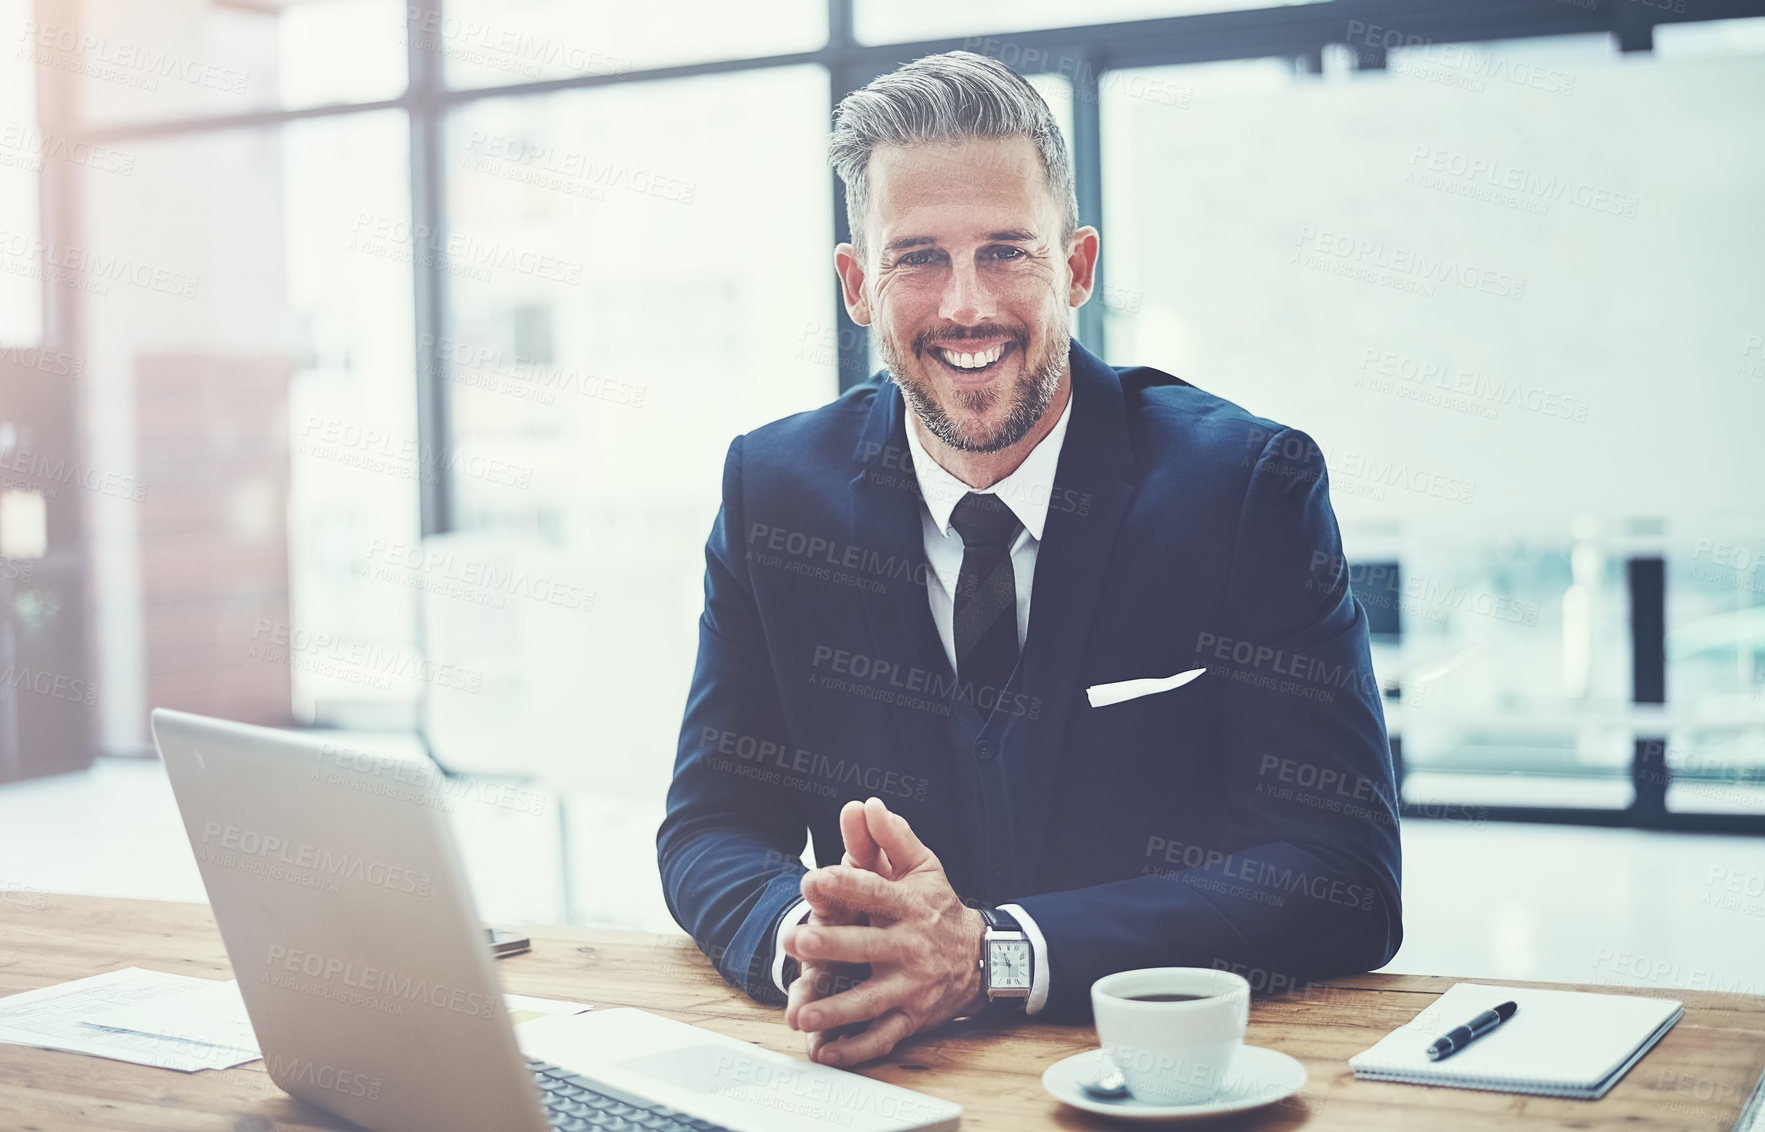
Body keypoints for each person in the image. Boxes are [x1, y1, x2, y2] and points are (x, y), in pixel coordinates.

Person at [657, 49, 1401, 1069]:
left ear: (1078, 268)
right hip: (877, 1082)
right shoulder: (770, 490)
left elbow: (1341, 868)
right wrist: (808, 941)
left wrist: (991, 956)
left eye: (1007, 250)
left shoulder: (1247, 489)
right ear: (856, 285)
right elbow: (708, 824)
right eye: (916, 257)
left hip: (1163, 1078)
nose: (966, 306)